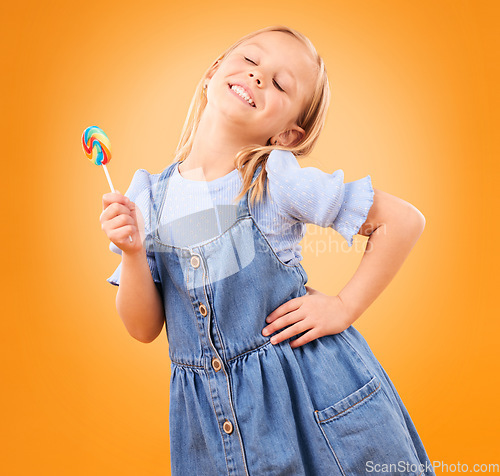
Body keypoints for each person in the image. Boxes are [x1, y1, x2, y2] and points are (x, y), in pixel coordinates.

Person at [100, 25, 435, 476]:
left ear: (289, 135)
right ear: (214, 71)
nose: (258, 78)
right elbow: (143, 328)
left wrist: (341, 307)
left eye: (280, 84)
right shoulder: (148, 197)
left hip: (315, 399)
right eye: (250, 61)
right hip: (210, 426)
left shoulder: (275, 178)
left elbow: (404, 221)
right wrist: (133, 253)